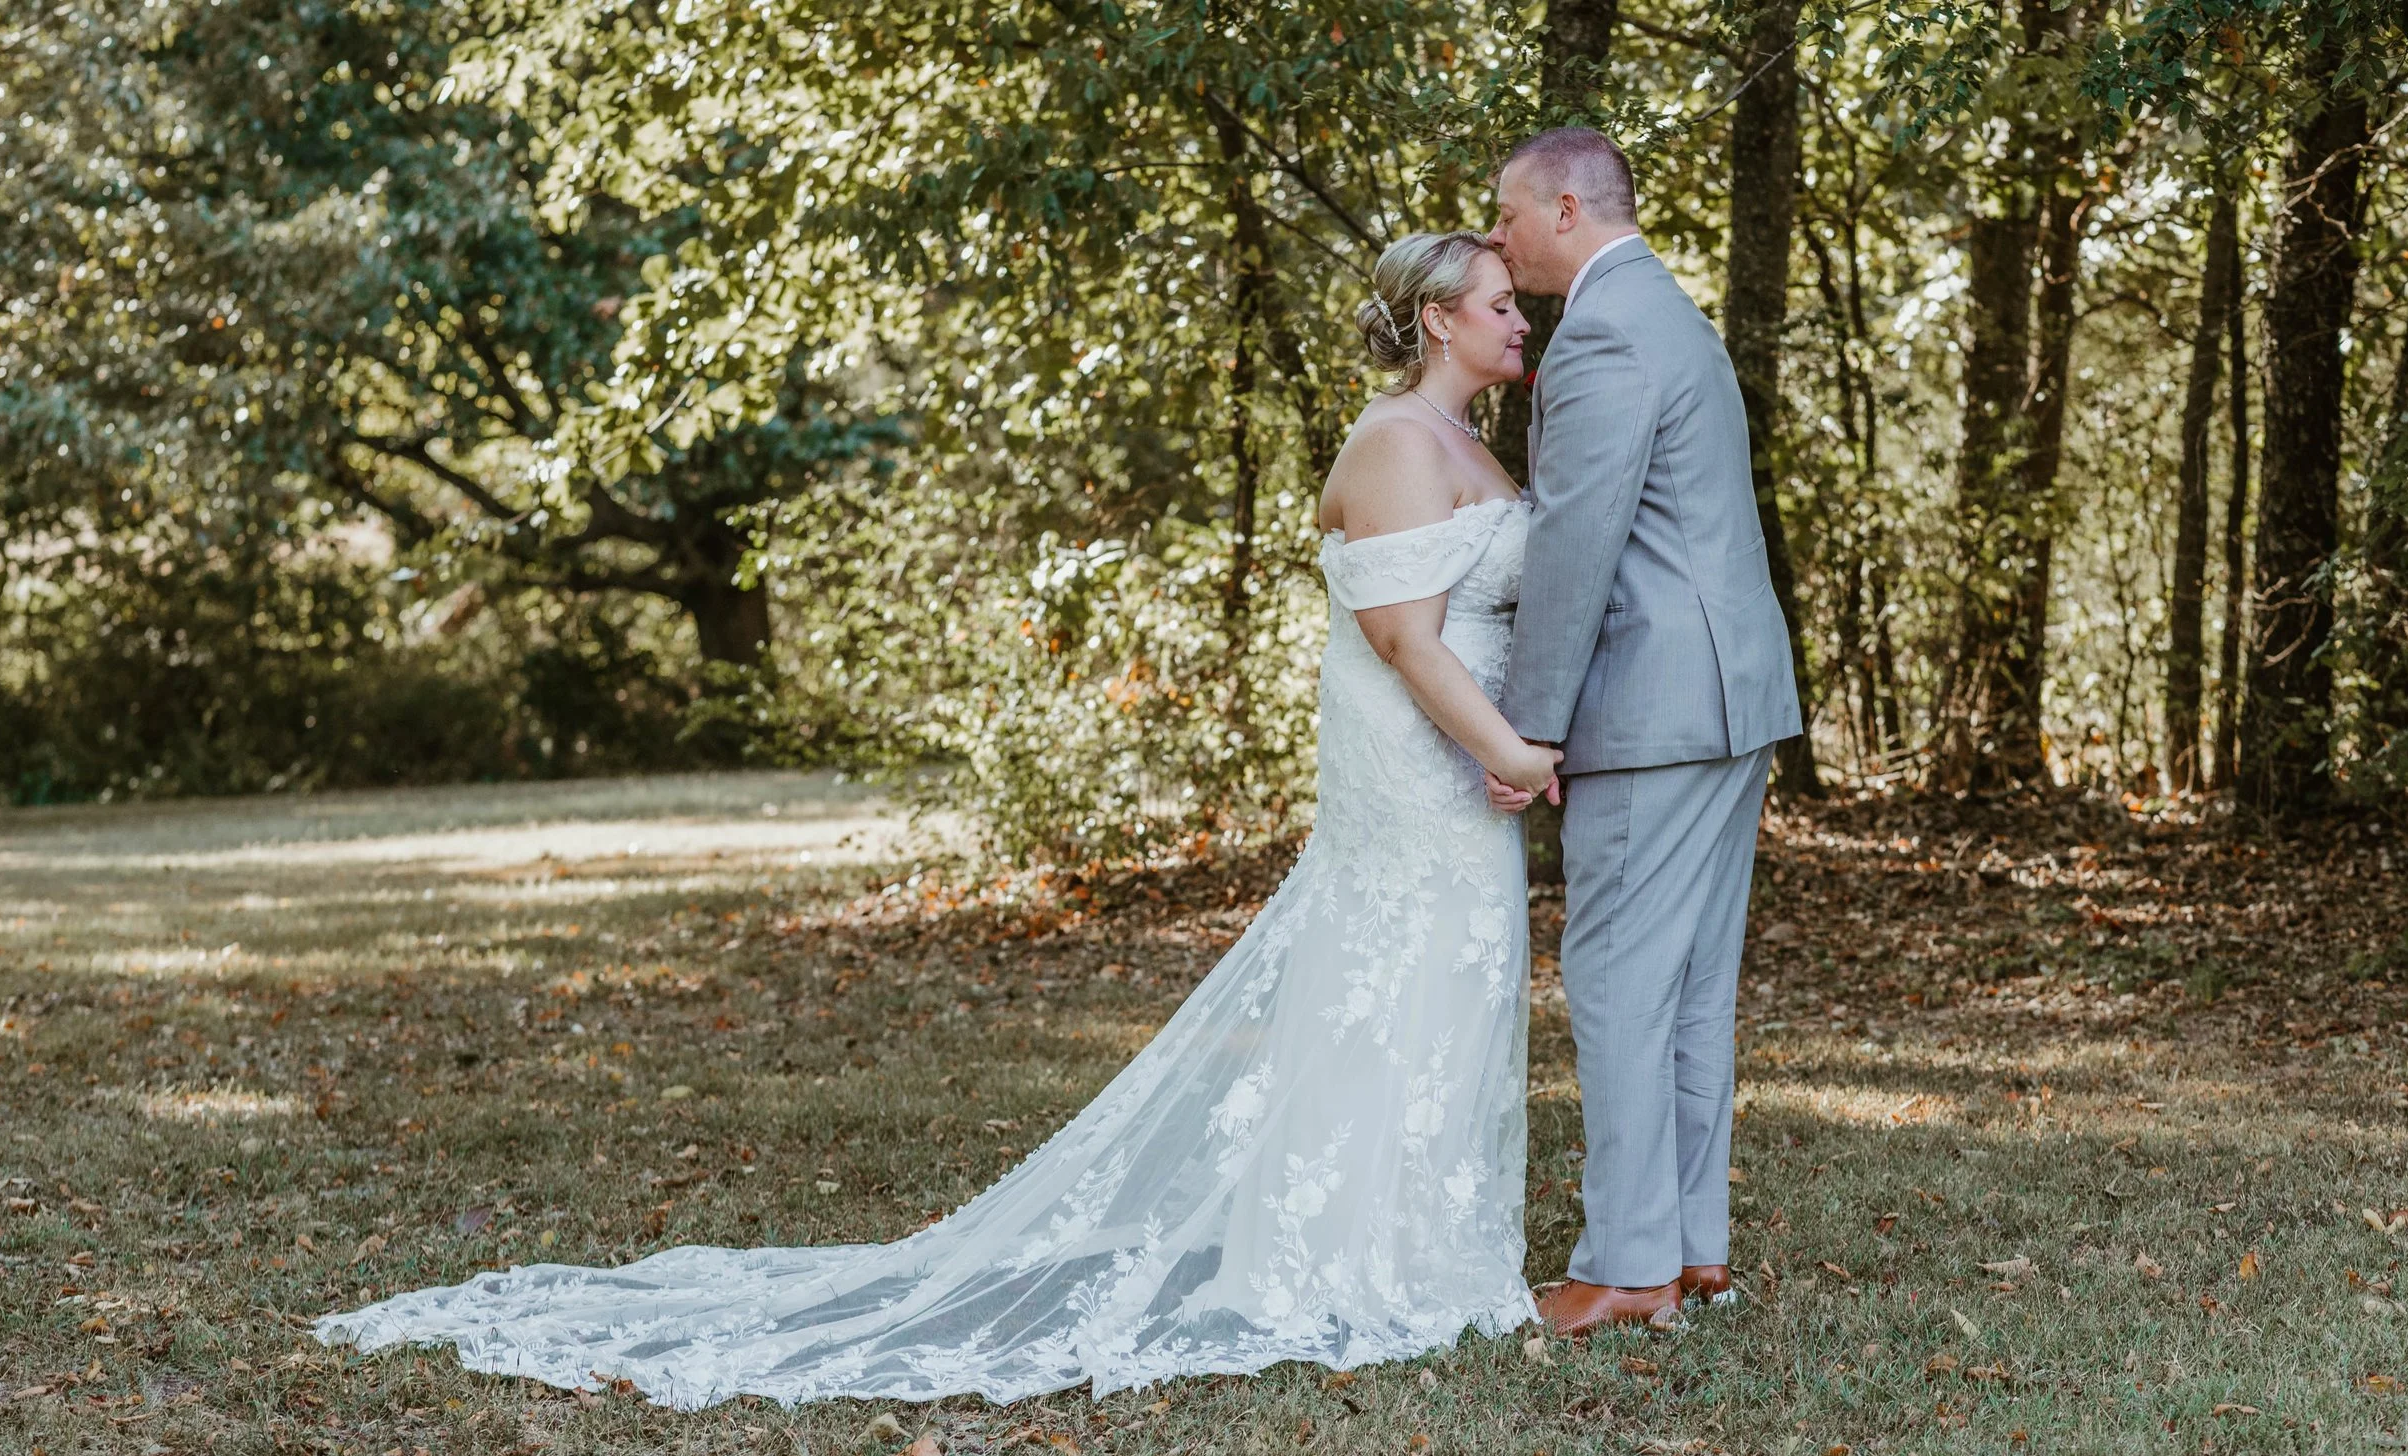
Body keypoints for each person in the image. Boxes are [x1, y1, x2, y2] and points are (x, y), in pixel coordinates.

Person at [314, 229, 1559, 1407]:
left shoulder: (1464, 440)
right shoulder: (1396, 443)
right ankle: (1353, 1258)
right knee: (1404, 976)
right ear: (1439, 320)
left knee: (1442, 982)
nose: (1520, 321)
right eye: (1501, 305)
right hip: (1421, 763)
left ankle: (1416, 1242)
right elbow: (1404, 639)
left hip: (1462, 762)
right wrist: (1511, 751)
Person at [1482, 126, 1803, 1336]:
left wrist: (1528, 729)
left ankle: (1624, 1265)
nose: (1500, 241)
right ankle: (1691, 1246)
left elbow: (1576, 542)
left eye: (1508, 216)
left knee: (1618, 976)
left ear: (1566, 209)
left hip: (1653, 705)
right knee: (1687, 986)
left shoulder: (1605, 331)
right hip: (1729, 700)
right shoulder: (1672, 310)